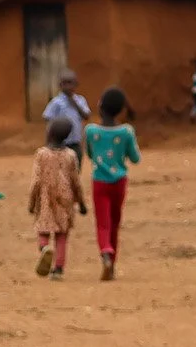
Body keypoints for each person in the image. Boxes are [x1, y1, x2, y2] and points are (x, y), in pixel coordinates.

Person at [85, 86, 141, 281]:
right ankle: (113, 264)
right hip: (119, 182)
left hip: (99, 181)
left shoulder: (91, 131)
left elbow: (90, 154)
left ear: (100, 105)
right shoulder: (126, 131)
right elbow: (135, 158)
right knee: (115, 222)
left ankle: (105, 253)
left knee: (102, 223)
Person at [29, 116, 86, 280]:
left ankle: (44, 248)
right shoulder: (70, 155)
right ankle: (59, 269)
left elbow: (36, 181)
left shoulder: (41, 155)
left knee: (43, 229)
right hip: (65, 200)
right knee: (62, 235)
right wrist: (81, 203)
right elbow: (76, 181)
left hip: (46, 198)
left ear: (50, 133)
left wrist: (32, 203)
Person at [42, 69, 90, 162]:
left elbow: (86, 116)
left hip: (76, 143)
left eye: (70, 83)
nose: (68, 86)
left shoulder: (80, 100)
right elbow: (48, 119)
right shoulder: (56, 102)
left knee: (76, 169)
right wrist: (48, 142)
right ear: (60, 85)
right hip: (60, 144)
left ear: (76, 84)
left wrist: (74, 103)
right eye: (65, 83)